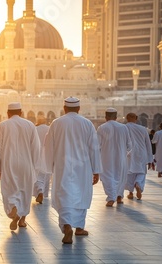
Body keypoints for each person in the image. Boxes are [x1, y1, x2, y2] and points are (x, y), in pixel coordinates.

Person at [44, 97, 101, 244]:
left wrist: (48, 167)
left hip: (62, 166)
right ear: (79, 109)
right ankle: (79, 228)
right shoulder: (87, 124)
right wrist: (96, 170)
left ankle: (67, 225)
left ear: (64, 108)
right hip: (82, 167)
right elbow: (94, 148)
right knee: (81, 195)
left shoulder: (56, 123)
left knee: (64, 195)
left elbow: (49, 146)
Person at [0, 102, 41, 230]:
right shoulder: (30, 125)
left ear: (8, 114)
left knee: (10, 188)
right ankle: (22, 220)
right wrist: (35, 166)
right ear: (21, 112)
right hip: (26, 163)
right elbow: (36, 147)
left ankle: (13, 207)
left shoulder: (3, 125)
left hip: (9, 163)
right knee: (25, 190)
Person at [97, 108, 132, 207]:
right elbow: (129, 144)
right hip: (121, 158)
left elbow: (97, 145)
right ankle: (119, 196)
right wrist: (125, 154)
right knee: (120, 177)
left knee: (108, 177)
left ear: (106, 117)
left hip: (106, 158)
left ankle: (111, 198)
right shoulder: (124, 127)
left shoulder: (101, 128)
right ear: (116, 117)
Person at [125, 113, 153, 200]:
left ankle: (130, 193)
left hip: (129, 153)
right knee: (141, 172)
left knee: (130, 173)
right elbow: (148, 144)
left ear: (126, 118)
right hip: (142, 153)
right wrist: (150, 159)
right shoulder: (143, 129)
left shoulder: (124, 127)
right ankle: (138, 184)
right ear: (136, 118)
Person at [34, 117, 50, 202]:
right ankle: (44, 193)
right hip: (47, 155)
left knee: (37, 175)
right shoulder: (49, 128)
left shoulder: (35, 129)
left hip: (36, 155)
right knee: (46, 176)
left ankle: (39, 191)